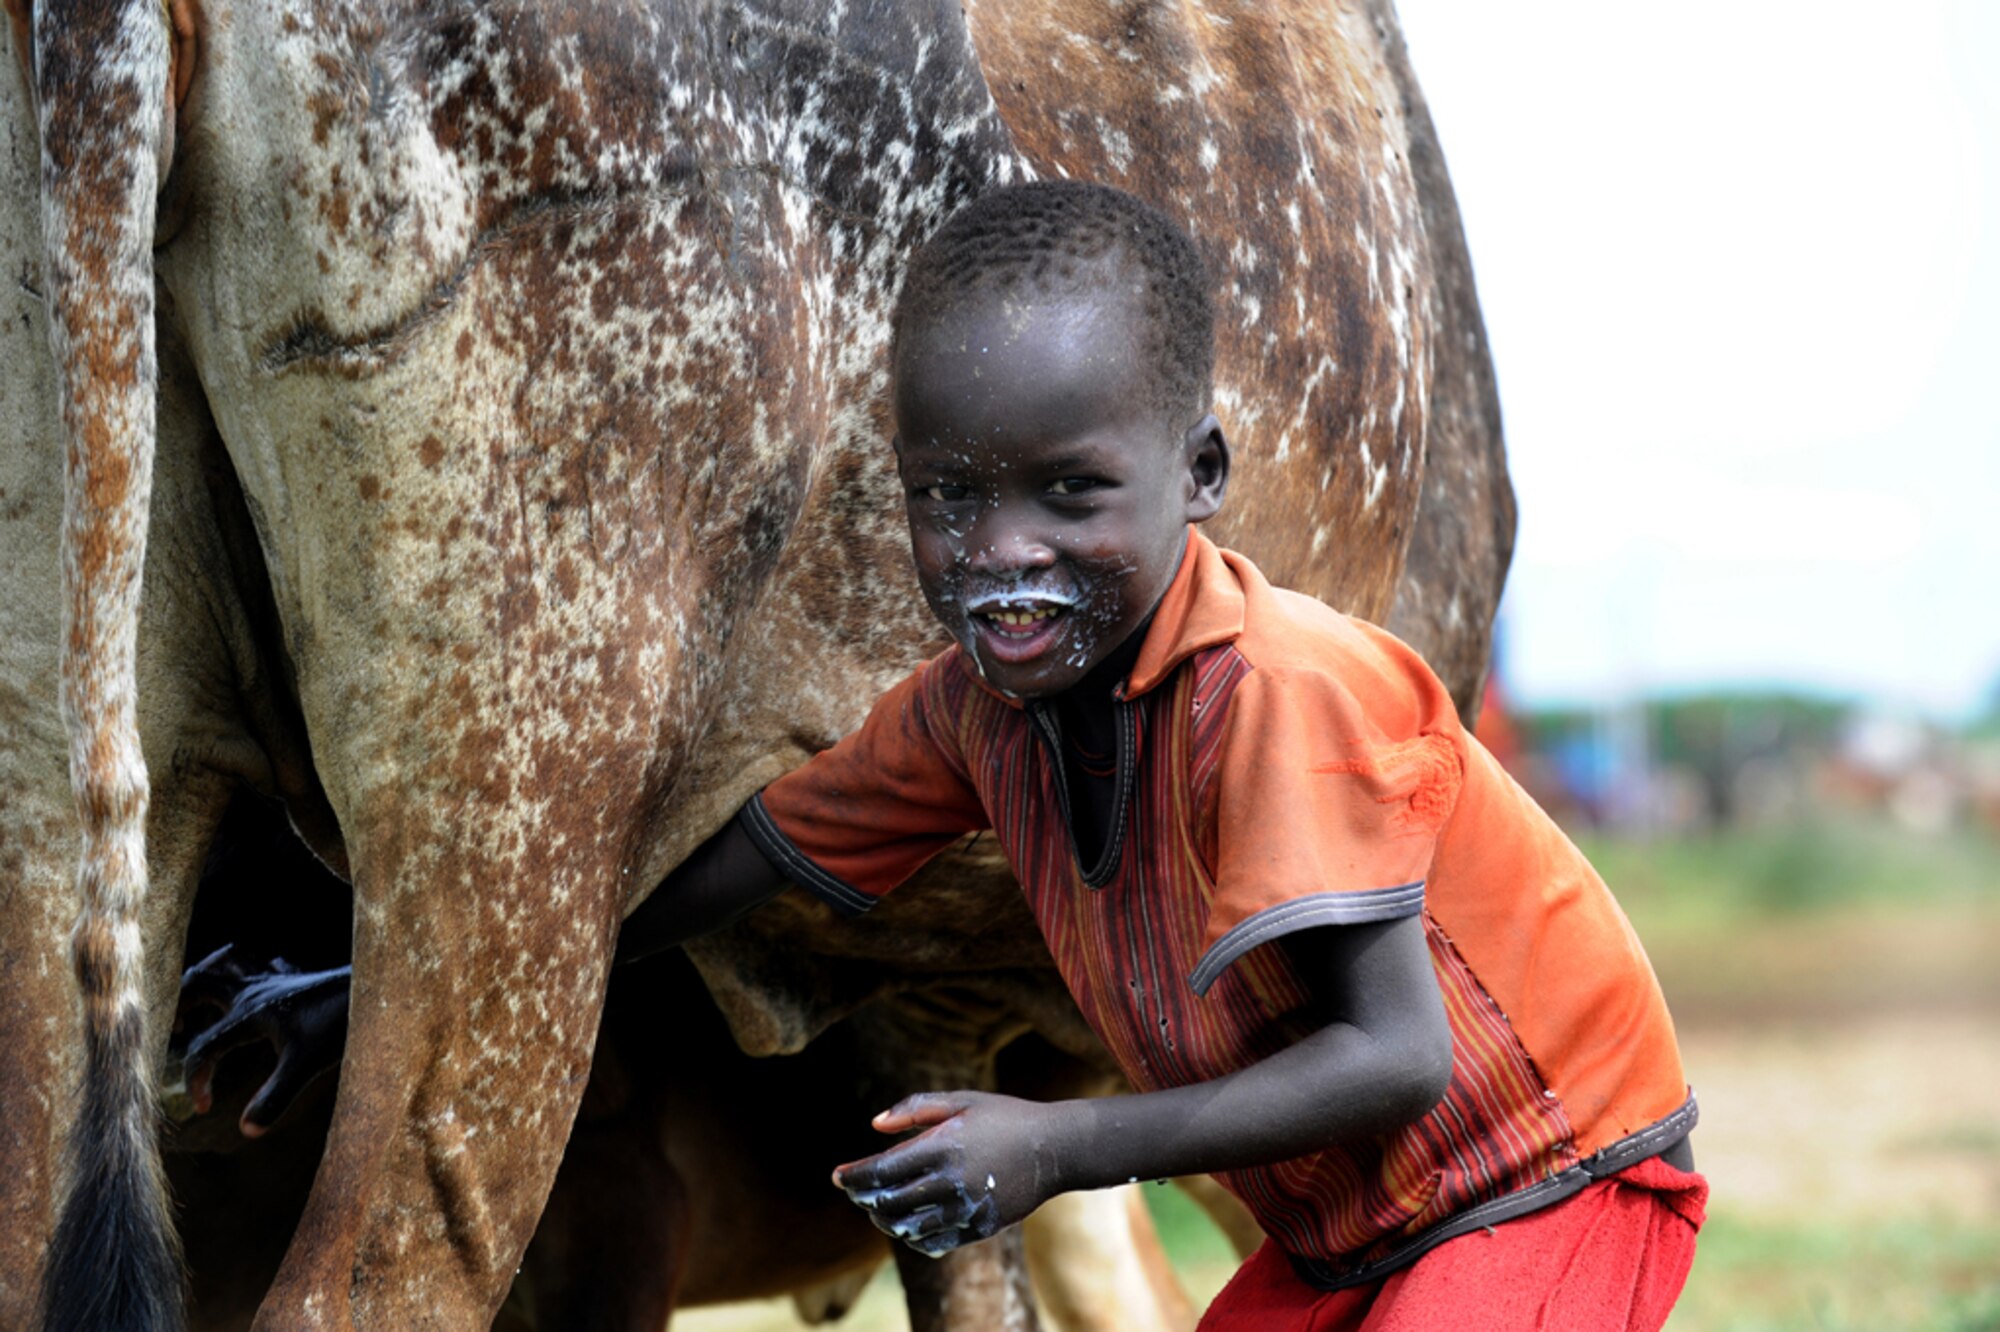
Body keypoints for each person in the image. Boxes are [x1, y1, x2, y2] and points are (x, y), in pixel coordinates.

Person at [182, 180, 1706, 1329]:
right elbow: (738, 870)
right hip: (1362, 1225)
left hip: (1545, 1179)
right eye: (947, 498)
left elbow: (1393, 1057)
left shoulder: (1281, 693)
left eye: (1070, 493)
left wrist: (1062, 1145)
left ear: (1202, 475)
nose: (1002, 557)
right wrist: (380, 999)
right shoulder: (977, 719)